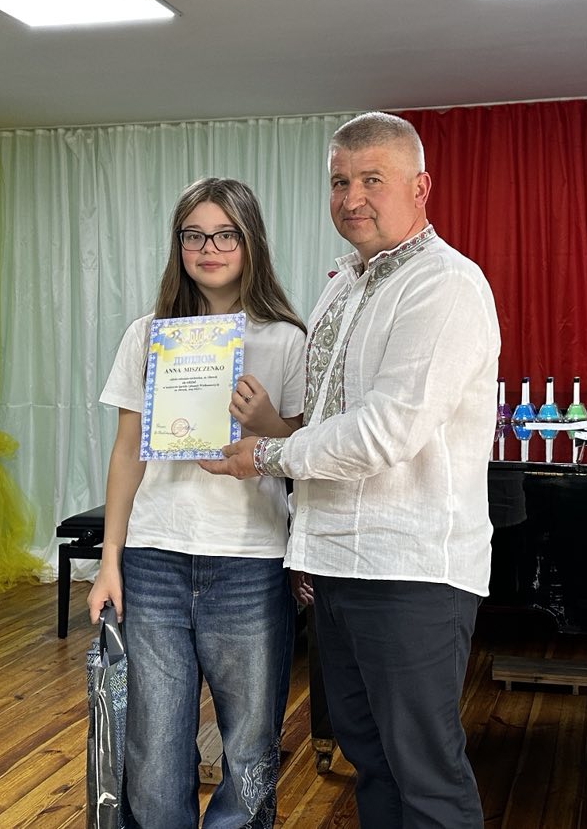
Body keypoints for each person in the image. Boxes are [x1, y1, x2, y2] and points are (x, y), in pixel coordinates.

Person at [203, 113, 500, 828]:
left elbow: (384, 433)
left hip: (409, 571)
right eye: (340, 182)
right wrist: (274, 426)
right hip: (335, 566)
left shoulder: (445, 285)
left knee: (425, 775)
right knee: (372, 763)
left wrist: (263, 455)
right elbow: (330, 425)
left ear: (420, 187)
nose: (352, 197)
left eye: (372, 179)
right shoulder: (342, 285)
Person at [87, 177, 308, 829]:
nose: (208, 248)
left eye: (224, 235)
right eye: (194, 235)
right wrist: (109, 560)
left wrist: (267, 422)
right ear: (178, 245)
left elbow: (304, 453)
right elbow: (127, 451)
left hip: (249, 561)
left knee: (250, 748)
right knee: (152, 750)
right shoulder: (148, 335)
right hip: (154, 557)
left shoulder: (286, 340)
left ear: (250, 241)